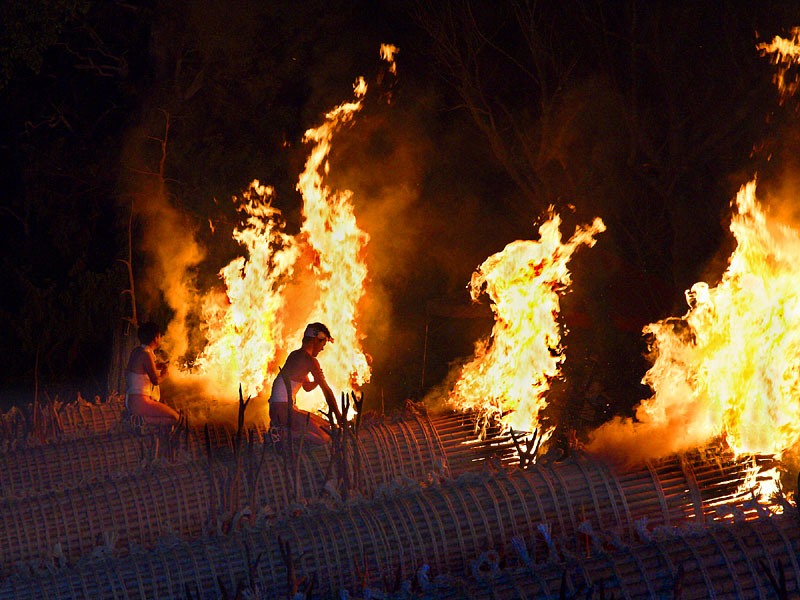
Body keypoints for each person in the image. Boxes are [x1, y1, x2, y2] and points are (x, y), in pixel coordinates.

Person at [268, 322, 343, 445]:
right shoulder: (309, 360)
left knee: (327, 426)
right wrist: (340, 418)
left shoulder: (295, 355)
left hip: (280, 410)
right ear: (315, 340)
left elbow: (307, 387)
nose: (322, 349)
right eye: (323, 344)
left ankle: (284, 431)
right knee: (325, 437)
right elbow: (327, 392)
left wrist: (317, 381)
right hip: (283, 411)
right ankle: (282, 434)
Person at [125, 321, 179, 426]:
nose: (160, 339)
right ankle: (141, 421)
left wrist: (158, 366)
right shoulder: (146, 354)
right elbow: (155, 381)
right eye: (160, 336)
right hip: (140, 401)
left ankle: (142, 421)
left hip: (132, 400)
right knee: (175, 418)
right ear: (155, 338)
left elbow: (141, 369)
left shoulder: (137, 351)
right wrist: (164, 375)